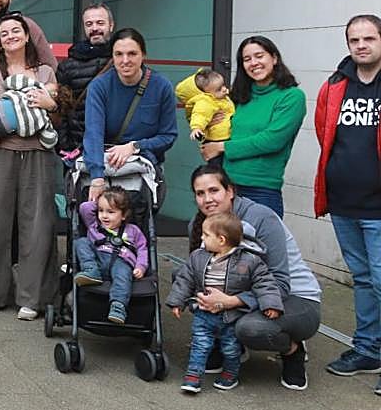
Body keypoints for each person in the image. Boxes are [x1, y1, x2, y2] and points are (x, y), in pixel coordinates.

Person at [0, 14, 60, 320]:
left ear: (27, 36)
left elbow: (57, 114)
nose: (10, 36)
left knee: (38, 227)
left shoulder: (45, 71)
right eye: (4, 32)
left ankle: (33, 299)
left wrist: (51, 105)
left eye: (16, 31)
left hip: (38, 157)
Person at [190, 165, 321, 390]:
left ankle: (292, 350)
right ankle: (227, 345)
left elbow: (280, 283)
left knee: (250, 329)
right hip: (246, 292)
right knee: (184, 279)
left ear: (230, 191)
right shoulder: (199, 225)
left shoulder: (261, 218)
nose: (207, 199)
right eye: (200, 193)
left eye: (214, 190)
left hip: (294, 298)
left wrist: (230, 301)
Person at [314, 14, 381, 387]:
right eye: (354, 40)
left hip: (379, 205)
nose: (361, 45)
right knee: (363, 280)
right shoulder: (335, 85)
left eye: (368, 38)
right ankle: (369, 349)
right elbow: (326, 134)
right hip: (344, 203)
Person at [168, 212, 284, 394]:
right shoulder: (198, 257)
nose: (201, 238)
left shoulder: (250, 261)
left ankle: (230, 373)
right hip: (203, 313)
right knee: (200, 345)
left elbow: (265, 283)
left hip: (231, 317)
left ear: (221, 240)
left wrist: (270, 304)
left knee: (230, 348)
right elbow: (185, 279)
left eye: (206, 235)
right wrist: (177, 301)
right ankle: (193, 376)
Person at [199, 36, 304, 218]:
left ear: (274, 58)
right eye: (247, 59)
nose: (254, 63)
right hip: (225, 186)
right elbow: (215, 128)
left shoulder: (292, 97)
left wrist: (221, 147)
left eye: (259, 56)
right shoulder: (236, 98)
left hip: (261, 190)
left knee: (261, 245)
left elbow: (272, 141)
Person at [82, 28, 178, 204]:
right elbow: (93, 134)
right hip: (106, 169)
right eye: (119, 54)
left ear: (143, 55)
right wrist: (97, 178)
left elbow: (168, 136)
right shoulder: (99, 86)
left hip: (142, 173)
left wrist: (135, 146)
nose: (125, 60)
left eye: (132, 53)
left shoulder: (161, 86)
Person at [74, 186, 147, 325]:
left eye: (111, 212)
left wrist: (141, 267)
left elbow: (143, 250)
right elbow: (84, 208)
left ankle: (118, 306)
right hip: (98, 260)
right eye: (101, 211)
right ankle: (91, 271)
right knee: (81, 242)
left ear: (124, 214)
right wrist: (100, 199)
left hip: (121, 261)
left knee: (123, 278)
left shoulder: (133, 230)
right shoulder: (94, 225)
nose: (104, 216)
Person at [56, 3, 114, 154]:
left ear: (111, 25)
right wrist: (67, 147)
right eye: (89, 24)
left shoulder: (123, 60)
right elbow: (62, 109)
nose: (94, 28)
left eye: (100, 23)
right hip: (79, 149)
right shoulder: (68, 66)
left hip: (118, 149)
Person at [183, 69, 235, 161]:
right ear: (207, 93)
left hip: (225, 136)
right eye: (219, 89)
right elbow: (200, 114)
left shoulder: (222, 98)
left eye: (223, 85)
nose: (224, 89)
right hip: (216, 139)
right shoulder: (205, 101)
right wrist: (197, 128)